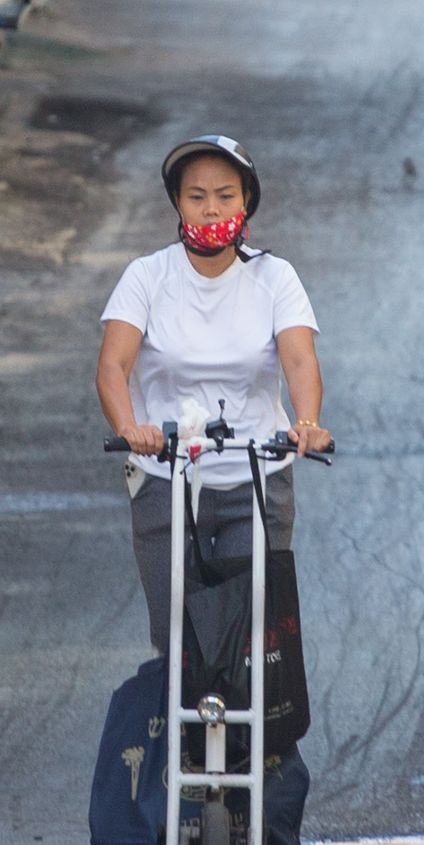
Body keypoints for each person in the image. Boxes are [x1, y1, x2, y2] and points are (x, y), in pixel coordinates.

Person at [93, 136, 327, 662]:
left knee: (252, 643)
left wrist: (308, 421)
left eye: (225, 194)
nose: (211, 208)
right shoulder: (147, 277)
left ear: (247, 201)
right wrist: (133, 427)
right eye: (196, 195)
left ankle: (256, 745)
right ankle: (181, 745)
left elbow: (299, 360)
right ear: (177, 202)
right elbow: (113, 364)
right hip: (164, 481)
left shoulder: (275, 277)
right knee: (177, 646)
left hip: (257, 481)